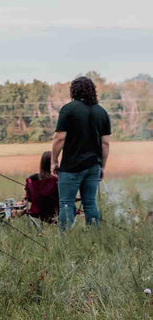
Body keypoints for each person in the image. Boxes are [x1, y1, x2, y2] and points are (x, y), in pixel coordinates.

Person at [51, 76, 111, 229]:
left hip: (71, 166)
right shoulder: (102, 112)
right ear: (92, 91)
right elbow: (105, 143)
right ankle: (94, 236)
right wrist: (102, 166)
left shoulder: (68, 109)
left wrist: (54, 161)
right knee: (90, 203)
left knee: (66, 203)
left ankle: (64, 240)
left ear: (74, 91)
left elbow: (59, 138)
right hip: (93, 166)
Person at [15, 150, 59, 222]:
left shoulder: (33, 178)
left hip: (37, 211)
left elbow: (28, 198)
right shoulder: (58, 179)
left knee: (21, 203)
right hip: (56, 211)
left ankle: (15, 211)